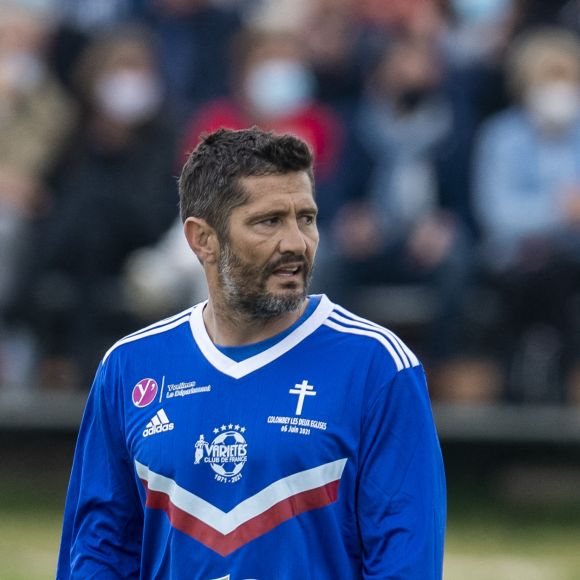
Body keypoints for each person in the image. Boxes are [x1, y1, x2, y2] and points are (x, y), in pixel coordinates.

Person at [57, 127, 446, 578]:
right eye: (269, 221)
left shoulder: (377, 365)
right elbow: (97, 553)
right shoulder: (129, 367)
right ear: (202, 238)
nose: (297, 243)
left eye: (306, 218)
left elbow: (406, 561)